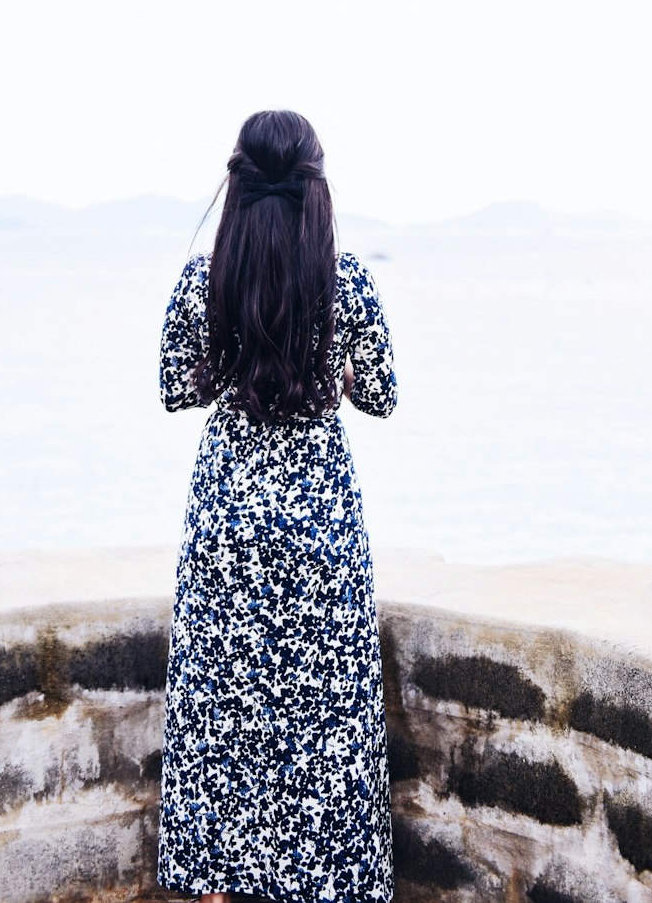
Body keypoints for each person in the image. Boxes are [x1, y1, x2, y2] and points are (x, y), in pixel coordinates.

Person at [156, 108, 398, 903]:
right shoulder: (345, 280)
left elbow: (172, 388)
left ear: (237, 186)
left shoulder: (205, 280)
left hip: (228, 521)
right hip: (320, 527)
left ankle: (218, 886)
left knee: (221, 719)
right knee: (325, 729)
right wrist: (331, 371)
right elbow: (385, 396)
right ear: (314, 192)